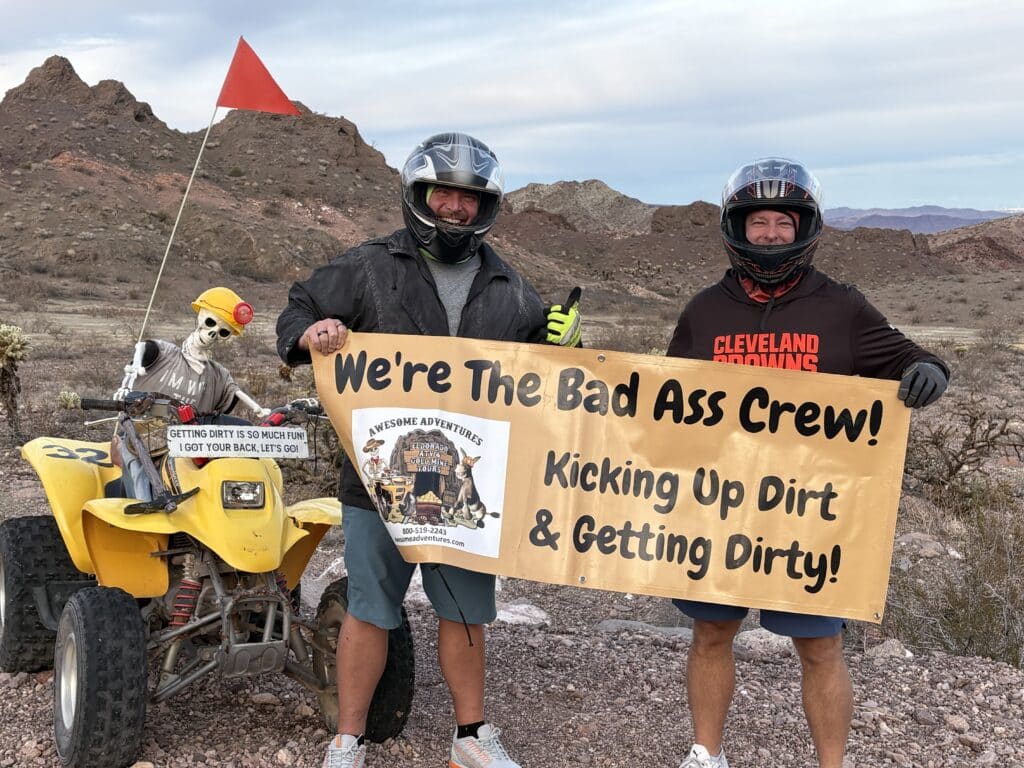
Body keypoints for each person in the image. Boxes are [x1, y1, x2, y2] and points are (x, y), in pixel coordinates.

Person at [276, 132, 582, 768]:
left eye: (470, 197)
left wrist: (563, 345)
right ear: (419, 194)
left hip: (468, 486)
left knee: (466, 613)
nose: (455, 207)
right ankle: (347, 739)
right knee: (369, 609)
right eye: (444, 192)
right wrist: (310, 332)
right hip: (377, 477)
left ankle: (470, 736)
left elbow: (540, 375)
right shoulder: (366, 267)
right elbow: (299, 306)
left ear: (485, 206)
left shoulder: (512, 287)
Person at [666, 158, 949, 768]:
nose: (770, 234)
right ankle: (704, 754)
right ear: (736, 228)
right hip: (722, 508)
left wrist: (929, 371)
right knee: (712, 633)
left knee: (820, 646)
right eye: (759, 222)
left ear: (805, 229)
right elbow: (667, 403)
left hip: (811, 515)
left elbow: (912, 357)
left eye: (783, 223)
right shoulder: (704, 311)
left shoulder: (842, 307)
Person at [110, 286, 270, 500]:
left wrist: (262, 413)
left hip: (189, 446)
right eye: (211, 323)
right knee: (139, 469)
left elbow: (229, 404)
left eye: (223, 332)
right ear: (201, 317)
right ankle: (143, 515)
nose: (213, 333)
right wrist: (128, 383)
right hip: (142, 435)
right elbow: (143, 349)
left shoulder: (218, 376)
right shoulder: (163, 353)